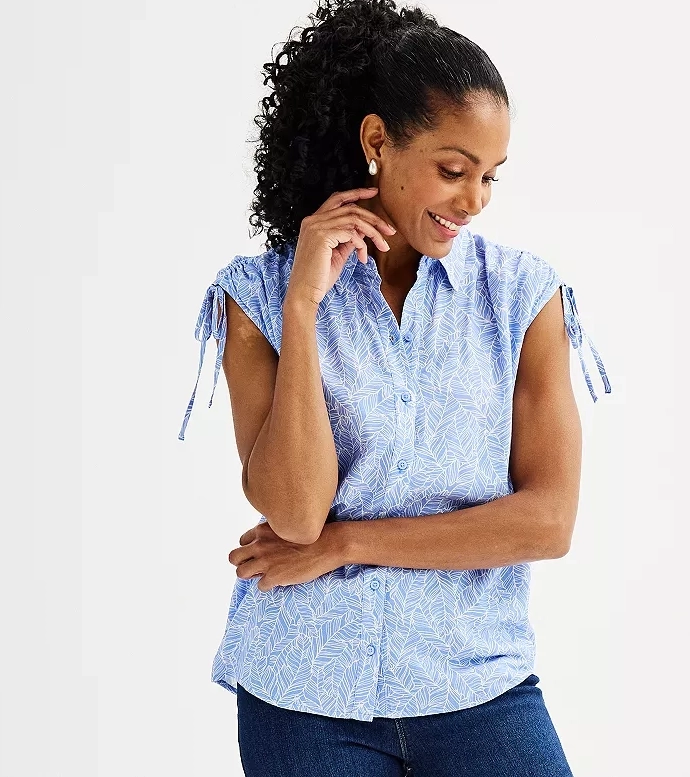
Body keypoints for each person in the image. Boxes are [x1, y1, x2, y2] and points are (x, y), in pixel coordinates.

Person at [177, 0, 611, 774]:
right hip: (303, 694)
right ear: (377, 140)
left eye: (488, 176)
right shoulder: (259, 297)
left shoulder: (520, 296)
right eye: (452, 169)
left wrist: (349, 543)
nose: (473, 199)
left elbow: (546, 521)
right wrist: (304, 310)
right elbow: (295, 511)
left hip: (478, 685)